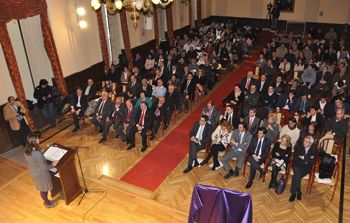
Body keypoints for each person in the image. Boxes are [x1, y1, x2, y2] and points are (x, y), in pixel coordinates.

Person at [24, 134, 59, 208]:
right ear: (34, 142)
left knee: (42, 188)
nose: (39, 140)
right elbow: (43, 167)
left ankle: (46, 201)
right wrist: (53, 165)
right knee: (44, 190)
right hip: (41, 174)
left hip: (34, 172)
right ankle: (47, 204)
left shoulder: (26, 151)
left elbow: (28, 162)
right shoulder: (37, 154)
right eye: (37, 139)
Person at [289, 136, 318, 202]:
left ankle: (295, 192)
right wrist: (306, 159)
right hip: (297, 165)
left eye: (306, 142)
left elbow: (312, 161)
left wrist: (302, 157)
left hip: (306, 168)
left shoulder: (314, 150)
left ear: (310, 144)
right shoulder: (299, 147)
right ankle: (297, 191)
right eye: (304, 141)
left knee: (295, 176)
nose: (304, 143)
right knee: (296, 171)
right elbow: (296, 158)